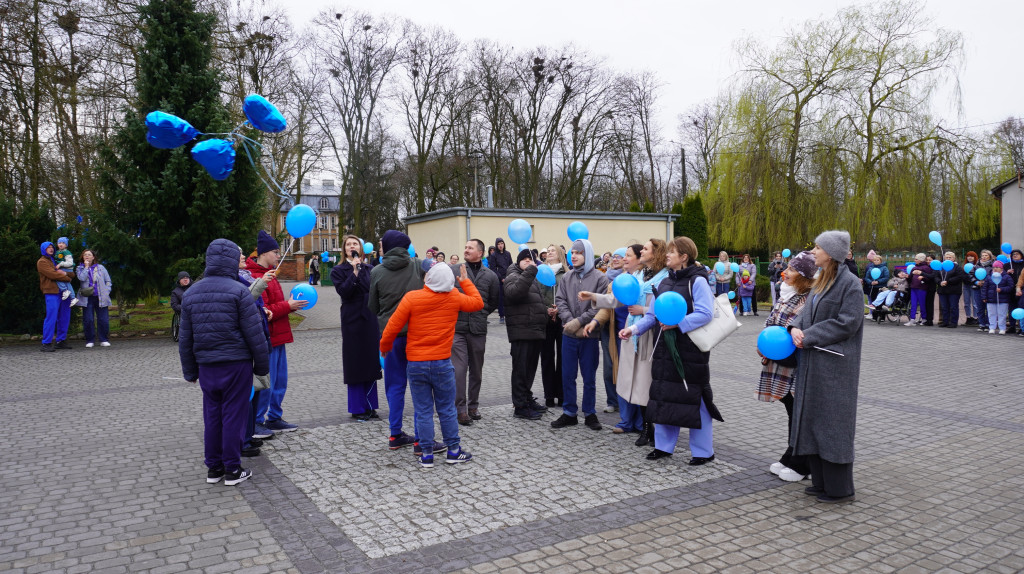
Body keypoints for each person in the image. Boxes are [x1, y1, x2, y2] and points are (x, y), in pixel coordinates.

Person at [179, 238, 270, 486]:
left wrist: (189, 371)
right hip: (236, 364)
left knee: (212, 415)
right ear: (231, 261)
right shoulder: (239, 291)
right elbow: (255, 335)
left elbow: (185, 339)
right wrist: (262, 367)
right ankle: (232, 468)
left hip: (207, 365)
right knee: (233, 416)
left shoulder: (191, 293)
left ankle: (214, 468)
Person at [624, 236, 721, 464]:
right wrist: (634, 330)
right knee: (664, 397)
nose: (666, 255)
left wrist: (679, 323)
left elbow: (706, 313)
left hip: (689, 351)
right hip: (664, 349)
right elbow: (653, 315)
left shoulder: (697, 281)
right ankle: (663, 447)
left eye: (671, 252)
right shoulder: (665, 281)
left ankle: (703, 452)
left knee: (695, 399)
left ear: (684, 257)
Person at [379, 262, 483, 468]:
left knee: (423, 410)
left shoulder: (412, 298)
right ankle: (453, 450)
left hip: (416, 364)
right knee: (446, 409)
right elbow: (477, 303)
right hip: (442, 363)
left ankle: (426, 454)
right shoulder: (454, 297)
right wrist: (465, 281)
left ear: (428, 279)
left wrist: (385, 346)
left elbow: (392, 326)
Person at [787, 230, 864, 504]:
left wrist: (810, 335)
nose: (814, 252)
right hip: (813, 362)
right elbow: (805, 313)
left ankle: (839, 489)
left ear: (830, 254)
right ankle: (821, 483)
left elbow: (847, 322)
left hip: (835, 367)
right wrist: (795, 328)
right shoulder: (822, 281)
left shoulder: (851, 284)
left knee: (833, 424)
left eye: (818, 248)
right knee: (813, 420)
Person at [581, 242, 664, 438]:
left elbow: (660, 307)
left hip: (648, 334)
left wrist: (642, 310)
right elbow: (618, 299)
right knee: (632, 380)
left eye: (646, 249)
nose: (642, 251)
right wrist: (593, 296)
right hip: (631, 332)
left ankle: (648, 427)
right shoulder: (637, 276)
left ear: (656, 254)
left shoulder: (663, 278)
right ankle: (638, 424)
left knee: (646, 382)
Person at [757, 251, 816, 482]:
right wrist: (763, 343)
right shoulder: (787, 295)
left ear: (803, 276)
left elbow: (797, 329)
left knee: (799, 412)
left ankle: (802, 462)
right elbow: (772, 323)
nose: (785, 272)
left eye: (791, 269)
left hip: (796, 366)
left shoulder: (808, 300)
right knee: (792, 410)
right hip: (780, 363)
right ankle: (792, 453)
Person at [246, 230, 307, 435]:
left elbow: (275, 306)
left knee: (280, 381)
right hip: (267, 339)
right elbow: (266, 312)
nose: (279, 256)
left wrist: (290, 303)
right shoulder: (255, 277)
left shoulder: (272, 275)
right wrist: (288, 305)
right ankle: (257, 421)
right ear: (263, 253)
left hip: (280, 337)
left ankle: (274, 417)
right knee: (266, 383)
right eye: (275, 251)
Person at [369, 230, 425, 449]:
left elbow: (373, 307)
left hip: (390, 337)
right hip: (417, 335)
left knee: (395, 386)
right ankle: (421, 437)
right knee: (420, 386)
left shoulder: (377, 272)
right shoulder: (419, 265)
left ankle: (395, 434)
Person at [551, 238, 609, 431]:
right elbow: (560, 300)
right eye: (572, 253)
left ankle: (590, 413)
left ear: (588, 254)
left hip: (589, 336)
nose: (573, 256)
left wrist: (580, 322)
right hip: (569, 334)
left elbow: (600, 306)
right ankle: (569, 412)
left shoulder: (600, 279)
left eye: (579, 253)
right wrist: (569, 321)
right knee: (567, 375)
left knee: (589, 376)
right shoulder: (567, 278)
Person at [332, 235, 382, 422]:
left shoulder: (370, 269)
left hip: (369, 318)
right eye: (349, 244)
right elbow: (344, 291)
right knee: (355, 362)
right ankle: (357, 407)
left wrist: (361, 270)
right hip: (352, 320)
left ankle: (370, 405)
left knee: (370, 360)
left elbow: (373, 290)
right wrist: (354, 272)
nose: (352, 246)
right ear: (344, 249)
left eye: (355, 244)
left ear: (361, 249)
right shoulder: (338, 270)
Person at [451, 239, 499, 425]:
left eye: (470, 248)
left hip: (478, 328)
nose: (466, 250)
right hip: (458, 329)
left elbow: (494, 301)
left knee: (477, 371)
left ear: (481, 252)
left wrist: (480, 312)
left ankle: (473, 406)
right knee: (459, 369)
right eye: (465, 247)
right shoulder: (454, 271)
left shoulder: (491, 276)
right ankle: (460, 409)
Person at [503, 248, 550, 420]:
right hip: (522, 331)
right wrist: (530, 270)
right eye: (526, 260)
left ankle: (526, 398)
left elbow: (533, 301)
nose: (530, 263)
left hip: (534, 330)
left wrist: (545, 312)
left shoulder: (531, 277)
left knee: (529, 370)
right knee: (521, 371)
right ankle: (520, 406)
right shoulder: (512, 275)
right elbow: (514, 293)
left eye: (532, 260)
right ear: (519, 261)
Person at [599, 247, 627, 412]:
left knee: (624, 365)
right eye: (613, 257)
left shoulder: (630, 279)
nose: (615, 259)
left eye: (620, 256)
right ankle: (612, 400)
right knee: (609, 366)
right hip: (608, 327)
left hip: (624, 327)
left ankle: (625, 401)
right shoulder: (604, 278)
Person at [539, 245, 567, 407]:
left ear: (560, 254)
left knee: (563, 358)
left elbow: (569, 296)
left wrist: (559, 310)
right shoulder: (540, 272)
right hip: (545, 319)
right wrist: (546, 309)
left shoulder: (566, 274)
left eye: (552, 250)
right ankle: (549, 394)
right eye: (547, 251)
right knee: (547, 358)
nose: (549, 252)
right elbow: (536, 295)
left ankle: (562, 394)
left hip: (562, 319)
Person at [37, 242, 75, 352]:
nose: (51, 249)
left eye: (52, 247)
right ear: (43, 249)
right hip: (51, 292)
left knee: (65, 316)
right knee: (51, 317)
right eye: (48, 248)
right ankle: (46, 343)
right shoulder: (42, 261)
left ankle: (61, 341)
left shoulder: (57, 259)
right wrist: (67, 277)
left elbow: (71, 272)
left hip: (64, 292)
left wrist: (66, 274)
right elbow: (52, 274)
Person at [74, 249, 112, 348]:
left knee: (103, 319)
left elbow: (108, 281)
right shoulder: (79, 268)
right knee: (88, 319)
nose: (87, 256)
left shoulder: (101, 268)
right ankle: (90, 340)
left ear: (93, 257)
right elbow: (82, 278)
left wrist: (106, 291)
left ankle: (103, 339)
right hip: (87, 298)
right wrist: (86, 267)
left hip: (100, 297)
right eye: (85, 255)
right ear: (82, 257)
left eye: (89, 255)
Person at [936, 251, 967, 328]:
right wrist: (940, 282)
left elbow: (960, 277)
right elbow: (935, 276)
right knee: (944, 307)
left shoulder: (957, 267)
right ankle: (945, 321)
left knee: (953, 307)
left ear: (954, 258)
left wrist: (948, 281)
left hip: (954, 290)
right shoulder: (940, 267)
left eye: (950, 257)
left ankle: (953, 322)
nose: (948, 259)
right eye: (947, 257)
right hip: (942, 290)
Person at [982, 260, 1013, 334]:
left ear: (1001, 268)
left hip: (1003, 300)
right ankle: (992, 327)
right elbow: (984, 288)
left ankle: (1002, 328)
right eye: (994, 267)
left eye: (997, 267)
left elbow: (1011, 287)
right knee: (991, 314)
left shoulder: (1007, 277)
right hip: (991, 299)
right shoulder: (989, 277)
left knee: (1002, 314)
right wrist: (984, 297)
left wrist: (1002, 289)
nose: (995, 269)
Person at [905, 253, 934, 326]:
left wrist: (923, 277)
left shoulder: (926, 268)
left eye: (916, 259)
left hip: (922, 288)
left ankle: (924, 318)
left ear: (920, 260)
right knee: (913, 304)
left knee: (922, 304)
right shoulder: (914, 267)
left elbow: (929, 278)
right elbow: (910, 278)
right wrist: (907, 277)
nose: (915, 260)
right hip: (913, 288)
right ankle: (912, 319)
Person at [488, 238, 512, 324]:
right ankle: (502, 315)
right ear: (496, 245)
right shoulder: (494, 255)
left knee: (509, 297)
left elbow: (511, 265)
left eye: (502, 243)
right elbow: (493, 269)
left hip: (508, 278)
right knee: (501, 298)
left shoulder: (507, 254)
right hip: (499, 280)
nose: (500, 245)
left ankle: (509, 315)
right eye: (498, 244)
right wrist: (501, 278)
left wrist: (509, 276)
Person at [54, 237, 78, 306]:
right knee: (67, 283)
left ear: (66, 245)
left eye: (63, 243)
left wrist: (60, 264)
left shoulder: (67, 252)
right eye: (59, 243)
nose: (61, 244)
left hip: (67, 268)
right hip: (63, 268)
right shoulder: (58, 252)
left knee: (58, 278)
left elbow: (70, 263)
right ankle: (73, 298)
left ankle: (64, 290)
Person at [975, 250, 994, 332]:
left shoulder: (993, 266)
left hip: (988, 289)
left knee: (988, 307)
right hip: (977, 288)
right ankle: (981, 323)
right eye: (983, 255)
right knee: (979, 307)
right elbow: (970, 276)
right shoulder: (976, 266)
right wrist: (976, 282)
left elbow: (994, 277)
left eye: (986, 255)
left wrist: (986, 282)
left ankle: (988, 324)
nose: (984, 257)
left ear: (990, 256)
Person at [963, 251, 980, 326]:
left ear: (975, 257)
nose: (970, 257)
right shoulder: (964, 266)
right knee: (966, 303)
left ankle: (976, 317)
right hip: (966, 285)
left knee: (974, 303)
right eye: (968, 256)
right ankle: (968, 317)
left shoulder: (977, 265)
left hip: (974, 285)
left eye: (971, 256)